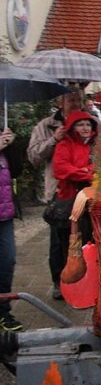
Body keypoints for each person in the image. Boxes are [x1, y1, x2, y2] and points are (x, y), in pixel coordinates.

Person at [28, 91, 82, 300]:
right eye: (71, 100)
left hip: (86, 190)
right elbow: (33, 156)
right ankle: (59, 281)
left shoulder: (90, 122)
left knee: (85, 237)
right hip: (59, 191)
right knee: (60, 241)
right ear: (60, 103)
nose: (75, 104)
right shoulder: (46, 126)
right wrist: (54, 139)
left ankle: (84, 281)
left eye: (79, 100)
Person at [50, 111, 98, 300]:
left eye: (88, 124)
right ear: (72, 127)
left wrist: (83, 171)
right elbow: (61, 169)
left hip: (92, 203)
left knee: (89, 243)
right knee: (66, 245)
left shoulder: (97, 146)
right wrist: (86, 173)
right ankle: (61, 282)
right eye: (80, 125)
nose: (85, 128)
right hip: (69, 202)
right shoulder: (65, 145)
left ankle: (86, 283)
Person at [0, 126, 23, 331]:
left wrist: (11, 146)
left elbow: (16, 170)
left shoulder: (3, 141)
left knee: (7, 261)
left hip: (4, 215)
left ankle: (3, 312)